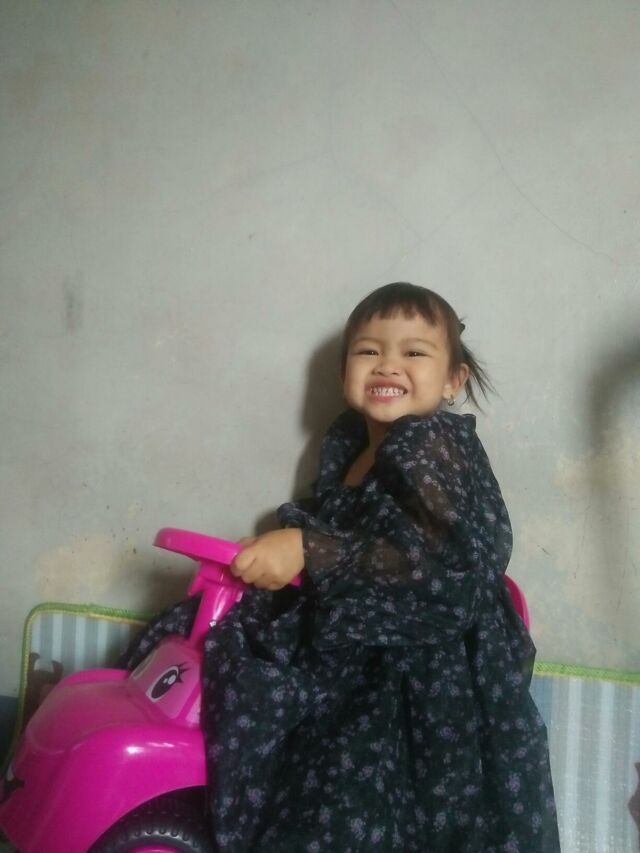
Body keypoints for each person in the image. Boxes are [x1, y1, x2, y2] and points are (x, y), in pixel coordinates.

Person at [125, 282, 560, 852]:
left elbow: (439, 563)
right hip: (357, 625)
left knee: (350, 783)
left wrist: (309, 549)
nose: (388, 365)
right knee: (205, 631)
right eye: (368, 350)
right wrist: (278, 546)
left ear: (453, 380)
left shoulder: (430, 444)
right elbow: (343, 523)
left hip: (422, 662)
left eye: (414, 352)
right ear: (344, 373)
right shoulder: (353, 444)